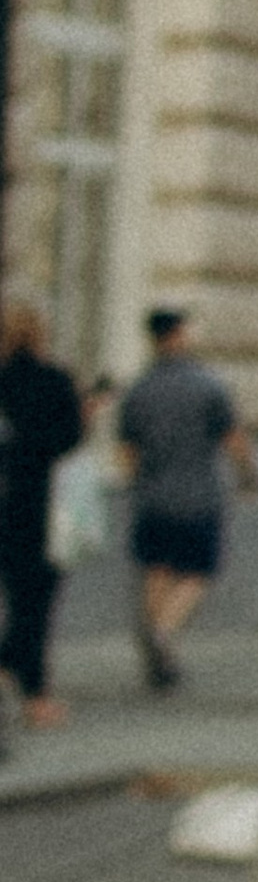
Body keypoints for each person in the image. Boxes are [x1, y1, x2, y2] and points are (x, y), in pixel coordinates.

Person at [117, 308, 258, 692]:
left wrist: (137, 485)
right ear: (179, 334)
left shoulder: (138, 389)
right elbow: (233, 439)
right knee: (198, 572)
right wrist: (249, 476)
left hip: (151, 497)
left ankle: (156, 644)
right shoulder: (208, 386)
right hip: (198, 496)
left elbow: (126, 452)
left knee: (157, 569)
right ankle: (164, 630)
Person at [0, 304, 87, 731]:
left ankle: (14, 671)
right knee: (33, 601)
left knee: (18, 598)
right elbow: (68, 438)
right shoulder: (53, 380)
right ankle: (35, 696)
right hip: (36, 505)